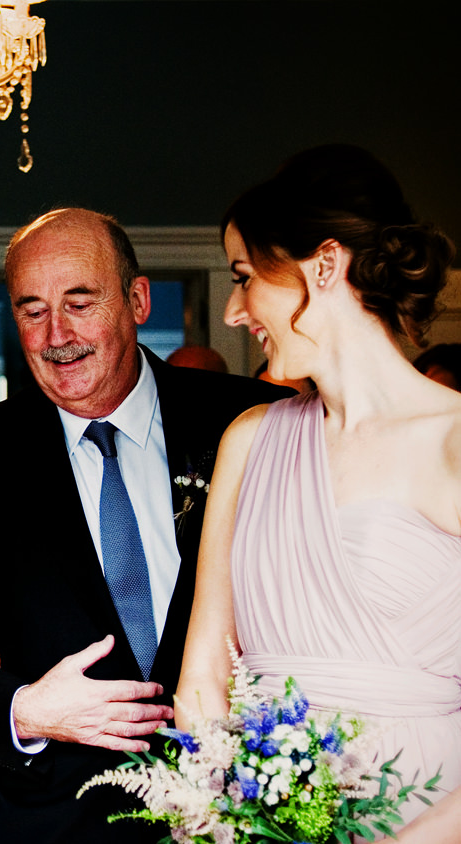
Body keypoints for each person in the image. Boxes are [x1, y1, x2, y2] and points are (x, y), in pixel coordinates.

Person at [0, 208, 290, 844]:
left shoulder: (251, 423)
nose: (57, 333)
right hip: (55, 821)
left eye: (80, 302)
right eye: (32, 310)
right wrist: (23, 710)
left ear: (137, 299)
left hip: (243, 814)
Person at [176, 144, 461, 839]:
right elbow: (203, 679)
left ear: (324, 265)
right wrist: (217, 823)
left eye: (246, 278)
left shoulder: (453, 440)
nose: (237, 311)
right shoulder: (249, 440)